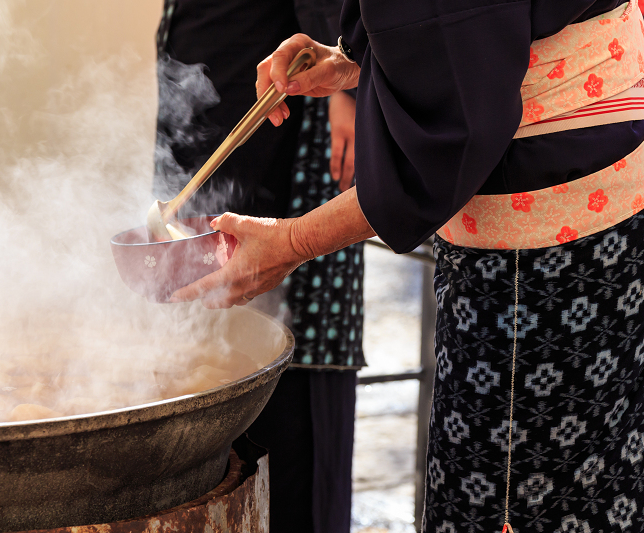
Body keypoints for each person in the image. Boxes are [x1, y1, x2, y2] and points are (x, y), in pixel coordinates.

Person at [171, 1, 644, 531]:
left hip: (546, 250)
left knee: (512, 501)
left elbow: (449, 137)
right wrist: (354, 59)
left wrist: (291, 241)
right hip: (582, 200)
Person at [154, 1, 364, 532]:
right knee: (202, 349)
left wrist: (347, 86)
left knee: (286, 360)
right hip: (218, 76)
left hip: (287, 103)